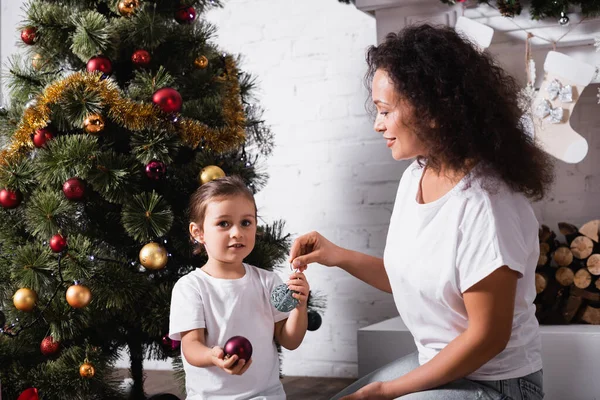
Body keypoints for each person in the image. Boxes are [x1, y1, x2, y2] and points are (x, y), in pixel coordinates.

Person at [289, 24, 554, 400]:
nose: (377, 124)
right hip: (442, 364)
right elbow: (416, 282)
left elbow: (488, 338)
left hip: (500, 385)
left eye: (385, 110)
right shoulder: (416, 175)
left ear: (431, 110)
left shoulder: (487, 205)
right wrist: (337, 255)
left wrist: (384, 391)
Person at [169, 176, 309, 399]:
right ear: (198, 233)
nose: (237, 233)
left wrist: (299, 307)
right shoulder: (190, 287)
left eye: (246, 222)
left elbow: (290, 340)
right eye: (224, 223)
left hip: (266, 395)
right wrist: (213, 356)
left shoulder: (268, 281)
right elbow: (191, 347)